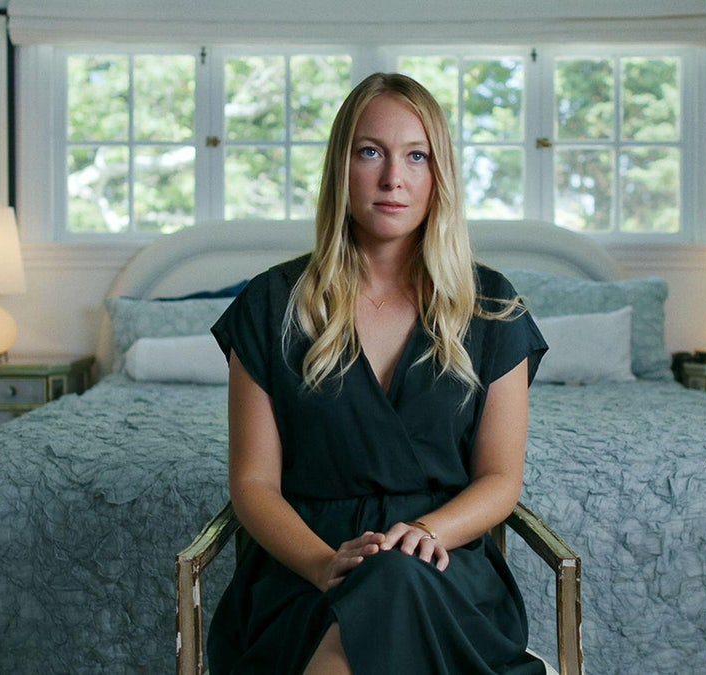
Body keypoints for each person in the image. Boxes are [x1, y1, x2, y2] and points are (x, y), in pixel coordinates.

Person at [208, 72, 548, 674]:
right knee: (376, 599)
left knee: (397, 580)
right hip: (304, 570)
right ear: (341, 167)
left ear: (437, 175)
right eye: (371, 152)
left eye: (416, 156)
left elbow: (500, 478)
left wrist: (425, 531)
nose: (394, 178)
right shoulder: (270, 305)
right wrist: (321, 564)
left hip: (444, 567)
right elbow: (254, 484)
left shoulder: (492, 306)